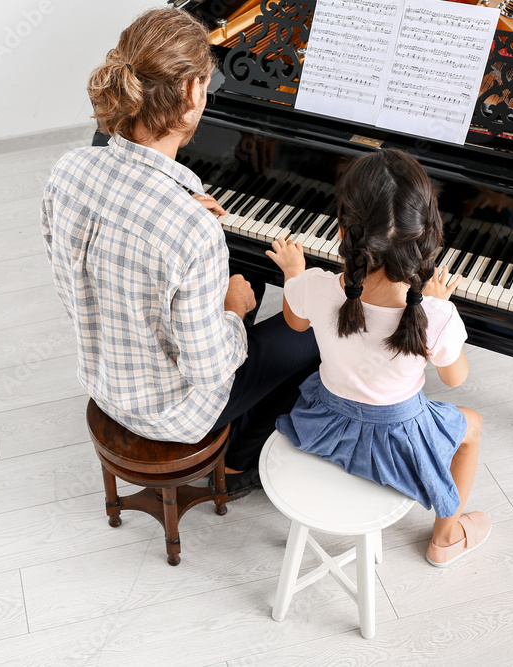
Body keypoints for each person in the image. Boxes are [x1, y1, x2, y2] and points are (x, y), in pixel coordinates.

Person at [41, 8, 320, 497]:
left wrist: (179, 213)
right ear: (192, 94)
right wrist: (232, 309)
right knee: (322, 326)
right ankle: (240, 460)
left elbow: (75, 279)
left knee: (255, 300)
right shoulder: (192, 230)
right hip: (175, 411)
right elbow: (209, 370)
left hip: (102, 377)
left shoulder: (67, 170)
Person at [266, 148, 488, 567]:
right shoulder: (436, 316)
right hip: (397, 441)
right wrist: (437, 304)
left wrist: (294, 272)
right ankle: (445, 536)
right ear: (428, 233)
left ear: (343, 228)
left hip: (326, 424)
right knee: (472, 426)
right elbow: (456, 378)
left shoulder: (316, 285)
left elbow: (296, 324)